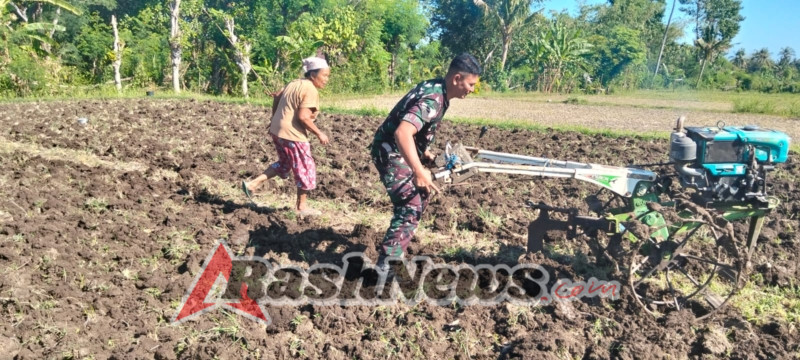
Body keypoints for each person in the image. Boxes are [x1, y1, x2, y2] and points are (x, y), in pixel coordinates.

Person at [370, 53, 482, 268]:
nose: (472, 89)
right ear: (457, 78)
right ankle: (387, 265)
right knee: (411, 203)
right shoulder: (434, 99)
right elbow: (403, 132)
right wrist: (419, 170)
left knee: (421, 195)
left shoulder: (437, 88)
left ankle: (396, 250)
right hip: (391, 151)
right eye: (471, 84)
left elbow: (416, 127)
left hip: (396, 148)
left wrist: (425, 152)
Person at [242, 56, 331, 217]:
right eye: (324, 75)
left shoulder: (294, 83)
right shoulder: (310, 89)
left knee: (285, 163)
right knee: (306, 167)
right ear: (312, 74)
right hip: (293, 134)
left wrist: (274, 117)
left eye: (328, 76)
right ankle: (301, 207)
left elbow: (277, 96)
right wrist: (319, 133)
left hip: (278, 130)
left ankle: (252, 184)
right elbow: (303, 117)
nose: (326, 79)